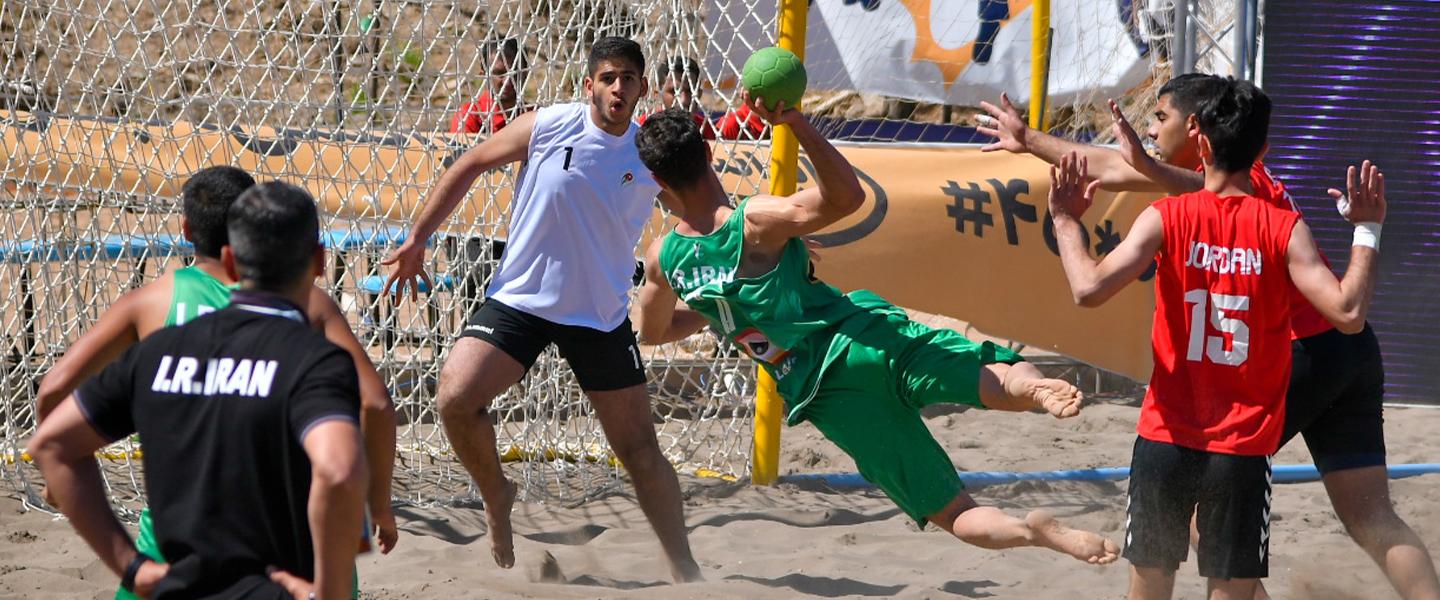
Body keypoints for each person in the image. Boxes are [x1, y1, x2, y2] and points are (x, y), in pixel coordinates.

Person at [980, 75, 1440, 600]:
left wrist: (1102, 192)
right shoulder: (1242, 186)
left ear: (1196, 129)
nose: (1150, 130)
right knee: (1370, 513)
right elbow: (1112, 166)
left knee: (1203, 512)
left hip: (1299, 356)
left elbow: (1119, 226)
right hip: (1349, 350)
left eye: (1160, 118)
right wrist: (1030, 139)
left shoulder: (1204, 202)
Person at [631, 103, 1120, 566]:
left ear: (656, 179)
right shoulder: (756, 220)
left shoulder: (663, 260)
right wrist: (797, 123)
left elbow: (651, 332)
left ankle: (1027, 530)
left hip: (825, 393)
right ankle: (1028, 388)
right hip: (861, 336)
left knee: (954, 514)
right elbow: (848, 197)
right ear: (711, 154)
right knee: (1001, 373)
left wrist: (719, 311)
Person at [383, 36, 702, 582]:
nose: (618, 86)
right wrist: (418, 239)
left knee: (641, 452)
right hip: (521, 299)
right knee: (455, 398)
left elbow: (710, 209)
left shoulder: (650, 153)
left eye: (628, 77)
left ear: (643, 88)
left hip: (599, 315)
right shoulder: (550, 124)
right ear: (590, 86)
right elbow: (472, 162)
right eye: (607, 77)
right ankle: (497, 496)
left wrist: (764, 243)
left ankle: (687, 572)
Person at [34, 166, 397, 599]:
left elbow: (54, 390)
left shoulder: (154, 314)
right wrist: (378, 504)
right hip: (288, 556)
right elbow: (372, 405)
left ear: (192, 232)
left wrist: (60, 485)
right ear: (319, 262)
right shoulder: (310, 322)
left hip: (171, 556)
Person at [451, 38, 528, 134]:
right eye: (499, 73)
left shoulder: (535, 115)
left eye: (514, 73)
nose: (508, 81)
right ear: (484, 75)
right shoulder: (469, 116)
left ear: (526, 73)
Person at [638, 56, 716, 140]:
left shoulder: (706, 129)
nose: (684, 100)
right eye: (674, 91)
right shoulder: (641, 127)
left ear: (699, 94)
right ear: (657, 94)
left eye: (690, 91)